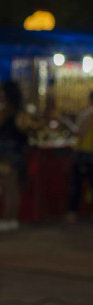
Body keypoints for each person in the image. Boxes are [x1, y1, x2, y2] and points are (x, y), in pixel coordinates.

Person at [0, 81, 28, 231]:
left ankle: (9, 218)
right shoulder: (15, 111)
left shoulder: (9, 112)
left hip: (9, 154)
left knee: (10, 187)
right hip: (12, 153)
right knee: (11, 187)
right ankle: (11, 218)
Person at [65, 90, 93, 223]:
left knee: (77, 185)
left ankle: (72, 213)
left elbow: (80, 133)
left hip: (85, 154)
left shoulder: (89, 115)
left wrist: (65, 122)